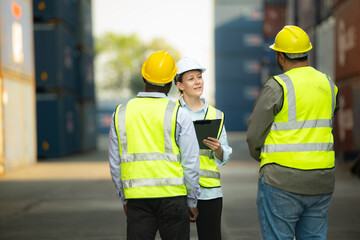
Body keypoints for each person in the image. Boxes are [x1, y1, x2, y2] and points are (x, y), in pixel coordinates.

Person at [246, 25, 339, 240]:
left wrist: (262, 157)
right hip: (322, 180)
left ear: (280, 55)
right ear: (307, 51)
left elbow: (254, 134)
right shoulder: (329, 84)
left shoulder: (278, 85)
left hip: (281, 181)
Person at [108, 50, 201, 240]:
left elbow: (115, 162)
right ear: (171, 82)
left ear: (144, 76)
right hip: (174, 198)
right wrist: (192, 200)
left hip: (137, 199)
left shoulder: (121, 113)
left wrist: (124, 197)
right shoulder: (179, 114)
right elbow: (190, 162)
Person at [174, 57, 232, 240]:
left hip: (209, 192)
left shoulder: (216, 114)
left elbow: (224, 155)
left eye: (199, 77)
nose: (197, 81)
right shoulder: (171, 112)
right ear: (180, 85)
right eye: (191, 78)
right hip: (178, 190)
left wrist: (218, 149)